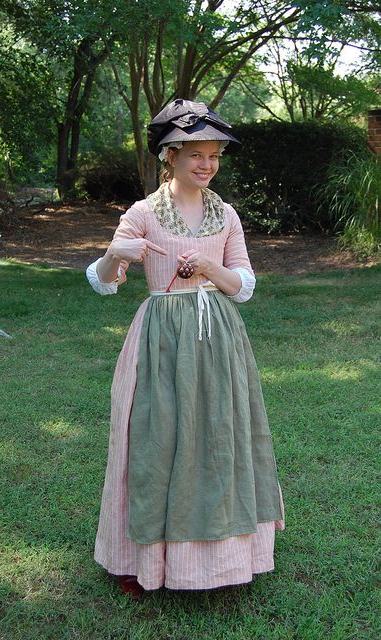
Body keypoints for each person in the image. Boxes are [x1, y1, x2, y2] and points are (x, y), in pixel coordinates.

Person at [86, 99, 285, 599]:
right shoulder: (143, 212)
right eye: (195, 154)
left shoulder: (227, 214)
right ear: (169, 156)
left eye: (214, 155)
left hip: (218, 338)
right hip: (160, 339)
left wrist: (213, 270)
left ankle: (223, 556)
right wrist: (114, 254)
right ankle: (144, 559)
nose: (207, 164)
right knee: (155, 440)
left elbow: (243, 284)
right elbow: (104, 283)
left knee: (218, 437)